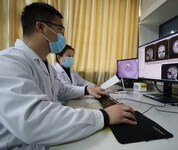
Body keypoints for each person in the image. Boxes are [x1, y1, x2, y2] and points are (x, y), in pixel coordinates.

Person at [0, 2, 137, 149]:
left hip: (46, 140)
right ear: (41, 27)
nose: (62, 36)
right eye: (60, 29)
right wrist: (105, 116)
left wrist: (87, 90)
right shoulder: (7, 62)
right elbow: (32, 120)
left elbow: (62, 89)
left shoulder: (45, 65)